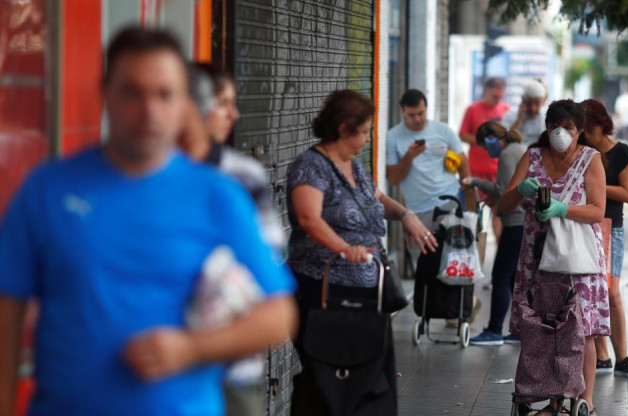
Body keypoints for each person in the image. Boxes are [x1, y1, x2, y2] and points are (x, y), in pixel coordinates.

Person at [0, 27, 297, 416]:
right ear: (105, 93)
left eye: (164, 94)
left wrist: (189, 349)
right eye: (132, 92)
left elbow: (279, 315)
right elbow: (8, 309)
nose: (149, 110)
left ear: (184, 105)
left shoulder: (218, 195)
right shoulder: (47, 190)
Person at [287, 90, 437, 415]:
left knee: (370, 380)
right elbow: (308, 218)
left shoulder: (353, 165)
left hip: (367, 294)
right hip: (325, 291)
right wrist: (345, 249)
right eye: (364, 131)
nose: (368, 139)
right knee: (331, 380)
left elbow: (378, 197)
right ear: (343, 129)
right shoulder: (310, 167)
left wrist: (405, 215)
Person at [181, 65, 281, 416]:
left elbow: (268, 278)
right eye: (222, 102)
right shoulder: (138, 177)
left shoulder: (243, 176)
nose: (232, 114)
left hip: (232, 367)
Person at [499, 99, 609, 415]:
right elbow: (504, 207)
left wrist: (563, 209)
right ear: (547, 129)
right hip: (539, 259)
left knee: (581, 327)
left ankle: (585, 398)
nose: (560, 134)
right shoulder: (532, 157)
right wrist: (520, 189)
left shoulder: (590, 160)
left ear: (580, 131)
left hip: (578, 259)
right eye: (555, 127)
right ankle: (550, 398)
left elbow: (597, 211)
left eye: (569, 128)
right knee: (542, 327)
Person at [582, 99, 628, 378]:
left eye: (589, 128)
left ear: (602, 125)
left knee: (611, 293)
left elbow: (627, 194)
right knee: (589, 293)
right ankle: (603, 356)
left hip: (611, 228)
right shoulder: (582, 151)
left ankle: (622, 358)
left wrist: (595, 183)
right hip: (584, 226)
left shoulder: (622, 152)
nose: (586, 135)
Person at [386, 89, 470, 271]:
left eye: (421, 113)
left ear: (426, 109)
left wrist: (469, 203)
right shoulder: (393, 136)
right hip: (417, 211)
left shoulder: (443, 130)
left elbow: (463, 163)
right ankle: (427, 300)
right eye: (411, 115)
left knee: (455, 265)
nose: (417, 119)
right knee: (424, 267)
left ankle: (462, 300)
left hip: (449, 202)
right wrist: (409, 157)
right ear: (403, 111)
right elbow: (392, 179)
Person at [461, 122, 526, 346]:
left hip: (516, 223)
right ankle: (519, 329)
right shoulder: (517, 149)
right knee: (512, 280)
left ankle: (494, 330)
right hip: (523, 222)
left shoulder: (508, 153)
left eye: (484, 145)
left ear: (492, 137)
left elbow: (503, 191)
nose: (486, 151)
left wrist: (476, 182)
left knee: (500, 276)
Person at [459, 78, 510, 240]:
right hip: (476, 171)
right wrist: (483, 141)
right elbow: (462, 134)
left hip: (497, 172)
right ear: (486, 91)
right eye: (494, 96)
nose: (497, 100)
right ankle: (473, 256)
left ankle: (500, 255)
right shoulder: (473, 109)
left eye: (500, 97)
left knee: (499, 215)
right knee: (474, 216)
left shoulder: (506, 110)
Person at [502, 79, 548, 145]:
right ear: (523, 100)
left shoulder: (546, 118)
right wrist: (519, 121)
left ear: (543, 102)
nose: (533, 108)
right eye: (529, 103)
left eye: (537, 104)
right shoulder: (510, 115)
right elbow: (503, 142)